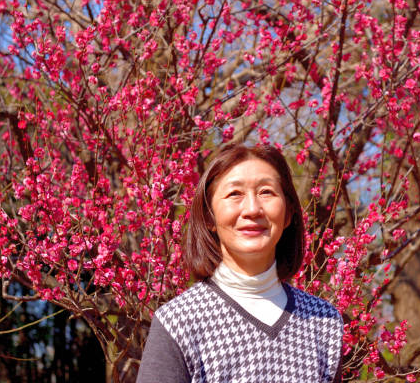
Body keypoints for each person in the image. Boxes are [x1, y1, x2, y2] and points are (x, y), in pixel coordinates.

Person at [137, 144, 343, 383]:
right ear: (209, 217)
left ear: (288, 214)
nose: (253, 209)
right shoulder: (178, 322)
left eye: (266, 192)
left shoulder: (324, 322)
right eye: (235, 194)